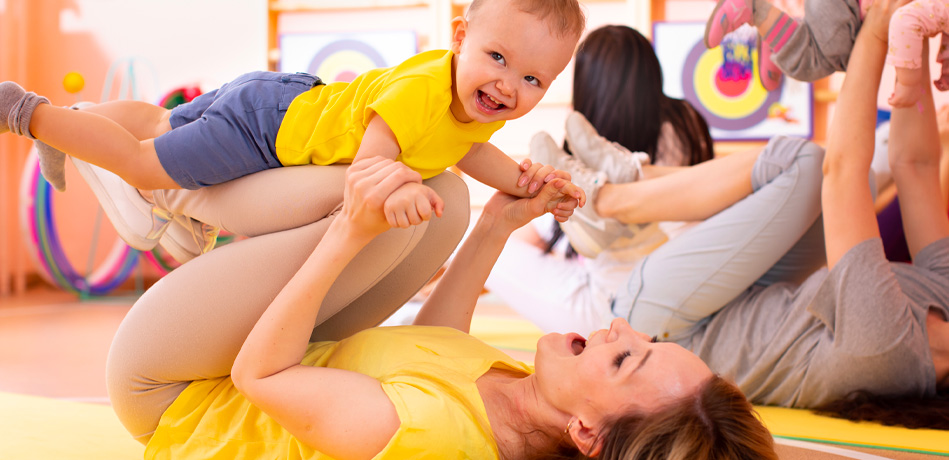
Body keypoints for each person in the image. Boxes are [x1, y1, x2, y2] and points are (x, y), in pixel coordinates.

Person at [105, 154, 778, 459]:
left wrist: (349, 233)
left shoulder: (432, 441)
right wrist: (496, 224)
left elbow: (262, 378)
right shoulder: (529, 406)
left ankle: (163, 193)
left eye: (627, 357)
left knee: (377, 193)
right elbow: (430, 354)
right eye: (644, 337)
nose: (618, 327)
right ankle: (180, 200)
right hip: (265, 353)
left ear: (588, 434)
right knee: (445, 198)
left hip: (176, 392)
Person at [532, 0, 949, 428]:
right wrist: (913, 30)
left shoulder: (887, 350)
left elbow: (842, 172)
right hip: (747, 293)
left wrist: (877, 32)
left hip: (671, 327)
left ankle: (607, 200)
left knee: (807, 164)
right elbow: (917, 166)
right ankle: (625, 176)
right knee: (821, 176)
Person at [0, 0, 584, 261]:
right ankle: (28, 112)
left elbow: (470, 150)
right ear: (461, 36)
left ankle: (80, 117)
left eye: (533, 78)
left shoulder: (476, 104)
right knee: (142, 165)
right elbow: (365, 176)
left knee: (156, 123)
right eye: (498, 57)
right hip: (263, 129)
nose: (509, 86)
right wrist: (398, 189)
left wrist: (533, 182)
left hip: (284, 98)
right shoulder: (420, 92)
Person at [483, 25, 714, 334]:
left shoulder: (588, 132)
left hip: (616, 308)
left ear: (587, 85)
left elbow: (535, 234)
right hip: (690, 288)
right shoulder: (686, 123)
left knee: (486, 250)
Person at [705, 0, 948, 107]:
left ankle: (777, 31)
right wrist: (909, 83)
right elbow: (906, 23)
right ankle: (756, 9)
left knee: (848, 59)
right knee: (812, 63)